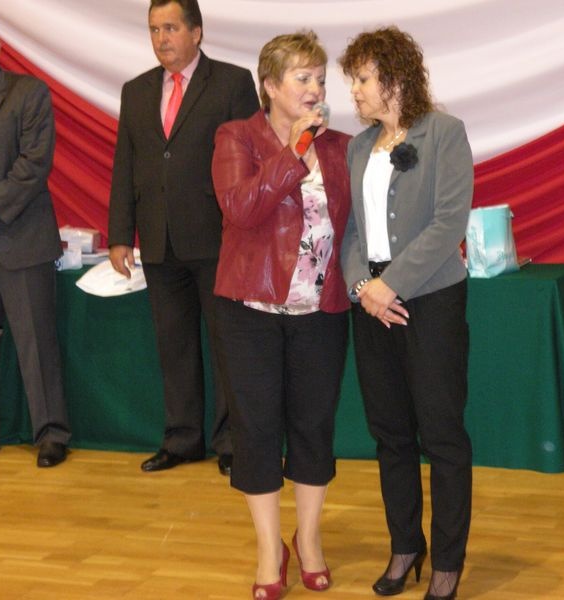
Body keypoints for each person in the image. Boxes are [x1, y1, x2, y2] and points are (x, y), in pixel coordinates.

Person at [210, 31, 350, 600]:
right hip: (250, 310)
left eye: (320, 78)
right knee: (257, 429)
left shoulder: (340, 146)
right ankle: (271, 550)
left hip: (321, 310)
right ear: (270, 85)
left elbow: (356, 228)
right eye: (303, 78)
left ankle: (308, 540)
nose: (315, 89)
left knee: (314, 427)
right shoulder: (236, 136)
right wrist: (292, 154)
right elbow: (242, 208)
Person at [339, 27, 474, 600]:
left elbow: (449, 224)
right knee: (390, 434)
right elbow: (352, 232)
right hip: (372, 305)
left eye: (363, 79)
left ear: (394, 78)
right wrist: (362, 288)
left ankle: (447, 560)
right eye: (353, 80)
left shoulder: (444, 132)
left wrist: (390, 284)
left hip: (431, 301)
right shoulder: (356, 147)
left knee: (441, 435)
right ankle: (404, 545)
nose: (355, 91)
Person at [108, 0, 259, 474]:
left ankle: (233, 443)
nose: (161, 39)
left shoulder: (232, 82)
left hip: (219, 238)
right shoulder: (136, 90)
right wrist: (119, 235)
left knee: (227, 346)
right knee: (173, 346)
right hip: (159, 239)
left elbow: (252, 158)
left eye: (171, 28)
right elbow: (125, 165)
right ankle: (182, 439)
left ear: (196, 32)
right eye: (154, 29)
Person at [0, 7, 70, 468]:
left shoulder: (28, 92)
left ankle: (51, 433)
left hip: (20, 235)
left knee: (35, 342)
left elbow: (33, 162)